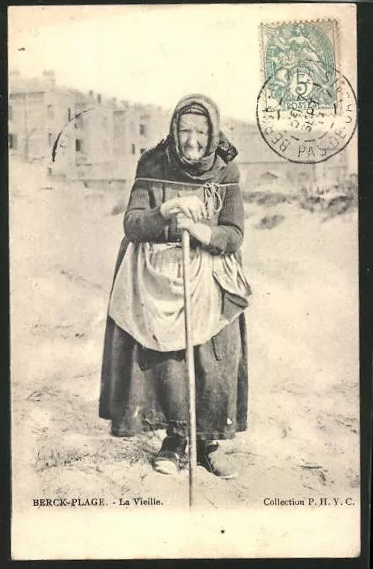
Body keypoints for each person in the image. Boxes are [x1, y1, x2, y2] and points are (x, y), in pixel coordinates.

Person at [99, 94, 251, 479]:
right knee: (168, 361)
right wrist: (165, 214)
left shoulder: (225, 171)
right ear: (174, 130)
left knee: (213, 359)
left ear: (213, 133)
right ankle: (175, 440)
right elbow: (132, 224)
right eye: (185, 130)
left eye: (201, 132)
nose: (192, 140)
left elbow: (233, 234)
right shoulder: (152, 163)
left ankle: (208, 444)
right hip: (157, 274)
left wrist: (202, 231)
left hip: (210, 274)